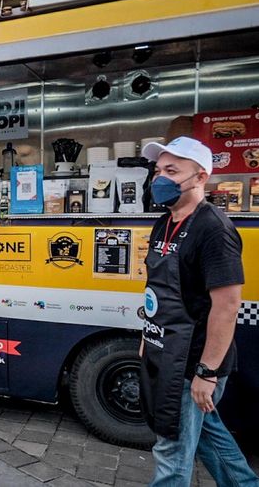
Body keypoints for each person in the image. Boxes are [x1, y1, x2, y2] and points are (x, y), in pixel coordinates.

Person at [139, 136, 259, 486]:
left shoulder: (214, 230)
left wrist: (206, 373)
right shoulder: (165, 222)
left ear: (201, 177)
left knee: (171, 450)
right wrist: (147, 336)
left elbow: (226, 305)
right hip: (166, 348)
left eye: (171, 170)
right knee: (208, 435)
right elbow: (158, 289)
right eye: (158, 169)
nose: (159, 178)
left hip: (192, 360)